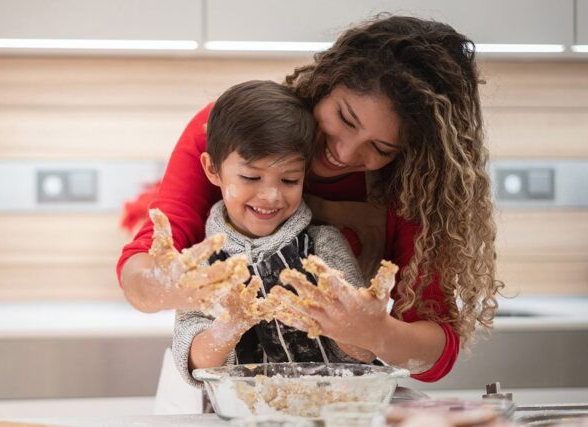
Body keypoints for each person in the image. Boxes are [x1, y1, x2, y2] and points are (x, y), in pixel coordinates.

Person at [118, 15, 503, 383]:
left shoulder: (411, 187)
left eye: (381, 148)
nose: (346, 153)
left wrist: (375, 332)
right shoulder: (236, 133)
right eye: (345, 118)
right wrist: (167, 287)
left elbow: (435, 354)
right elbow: (144, 267)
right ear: (325, 83)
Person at [169, 80, 377, 387]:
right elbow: (191, 362)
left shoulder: (324, 246)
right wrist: (229, 326)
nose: (271, 197)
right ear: (213, 170)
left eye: (290, 180)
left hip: (331, 408)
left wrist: (338, 322)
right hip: (239, 414)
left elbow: (367, 351)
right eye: (251, 177)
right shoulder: (202, 266)